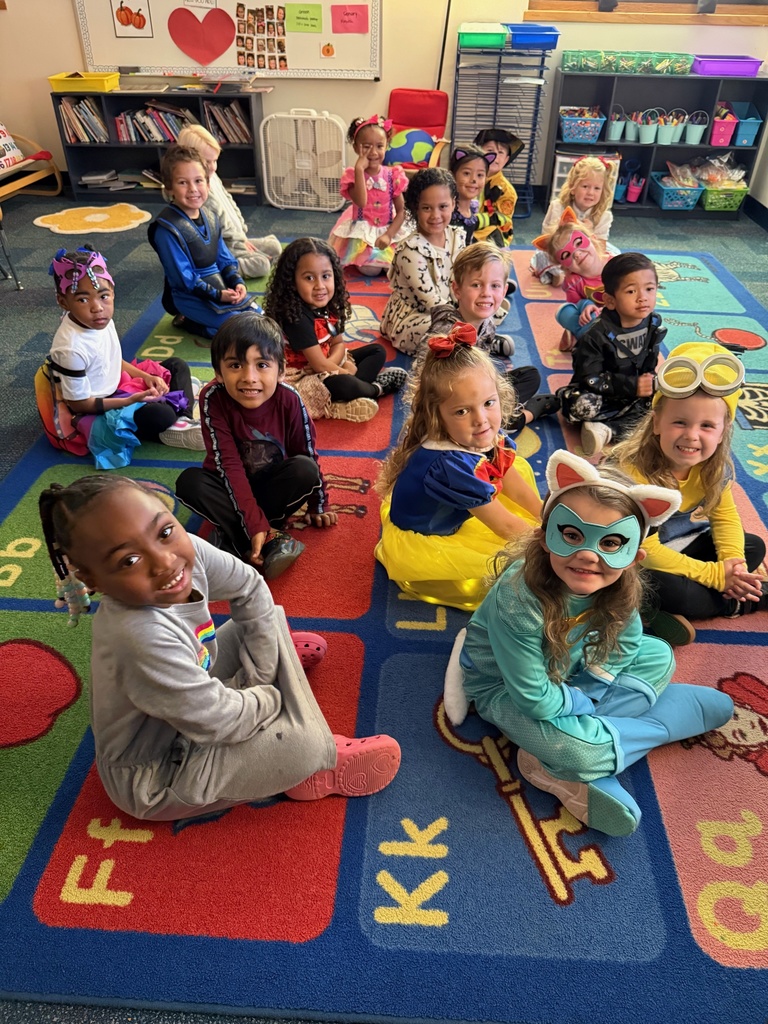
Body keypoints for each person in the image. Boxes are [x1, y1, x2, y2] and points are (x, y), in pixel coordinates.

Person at [38, 474, 401, 821]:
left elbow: (250, 587)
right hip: (157, 775)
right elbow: (218, 722)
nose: (165, 562)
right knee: (303, 746)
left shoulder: (184, 550)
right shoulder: (137, 636)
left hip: (194, 699)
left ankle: (278, 689)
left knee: (266, 618)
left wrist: (257, 676)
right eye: (128, 561)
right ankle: (318, 763)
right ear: (92, 580)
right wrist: (269, 697)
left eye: (164, 532)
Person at [442, 449, 734, 837]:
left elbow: (627, 643)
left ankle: (564, 754)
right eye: (572, 535)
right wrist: (583, 701)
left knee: (659, 654)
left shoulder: (620, 586)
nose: (587, 555)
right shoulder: (518, 597)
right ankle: (585, 754)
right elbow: (533, 698)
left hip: (574, 672)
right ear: (544, 537)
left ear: (634, 558)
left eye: (611, 543)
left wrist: (592, 687)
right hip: (505, 689)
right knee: (581, 751)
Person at [375, 323, 542, 611]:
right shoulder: (450, 467)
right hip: (428, 541)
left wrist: (545, 516)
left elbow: (512, 481)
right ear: (436, 415)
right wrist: (554, 548)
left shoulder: (479, 435)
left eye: (489, 403)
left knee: (521, 473)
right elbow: (504, 526)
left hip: (456, 512)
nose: (481, 419)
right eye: (462, 411)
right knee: (508, 573)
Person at [612, 341, 768, 646]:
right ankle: (740, 601)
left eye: (707, 425)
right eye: (679, 422)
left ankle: (663, 608)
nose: (691, 435)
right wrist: (714, 576)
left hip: (682, 549)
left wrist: (732, 564)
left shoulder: (714, 468)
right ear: (657, 422)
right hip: (636, 555)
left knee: (752, 547)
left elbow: (725, 518)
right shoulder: (631, 473)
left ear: (723, 431)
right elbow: (647, 549)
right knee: (657, 583)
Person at [176, 313, 336, 579]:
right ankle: (268, 539)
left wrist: (319, 504)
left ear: (281, 371)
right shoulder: (212, 398)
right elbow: (228, 466)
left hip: (272, 487)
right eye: (235, 365)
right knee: (190, 483)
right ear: (218, 372)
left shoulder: (290, 399)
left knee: (304, 469)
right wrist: (253, 522)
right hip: (228, 486)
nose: (249, 377)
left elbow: (306, 451)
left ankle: (234, 540)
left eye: (262, 365)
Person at [40, 246, 203, 466]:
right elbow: (79, 406)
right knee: (160, 416)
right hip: (98, 407)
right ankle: (172, 421)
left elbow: (112, 359)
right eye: (82, 300)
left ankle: (181, 415)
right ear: (63, 301)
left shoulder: (100, 321)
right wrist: (129, 400)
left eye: (104, 296)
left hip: (117, 384)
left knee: (176, 365)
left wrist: (145, 377)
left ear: (113, 292)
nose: (97, 307)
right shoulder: (70, 349)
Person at [263, 237, 407, 422]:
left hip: (325, 363)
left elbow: (338, 343)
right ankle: (376, 389)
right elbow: (318, 366)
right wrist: (343, 372)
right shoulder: (295, 318)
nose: (320, 286)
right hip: (300, 375)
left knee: (377, 351)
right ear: (292, 282)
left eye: (326, 276)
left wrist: (336, 365)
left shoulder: (331, 304)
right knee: (345, 382)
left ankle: (350, 395)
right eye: (309, 278)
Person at [421, 243, 560, 431]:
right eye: (476, 285)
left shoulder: (487, 323)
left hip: (476, 389)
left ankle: (500, 416)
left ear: (504, 291)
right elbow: (430, 381)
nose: (486, 293)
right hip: (450, 400)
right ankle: (518, 418)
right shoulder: (447, 329)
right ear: (457, 290)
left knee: (530, 375)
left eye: (495, 286)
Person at [557, 252, 665, 458]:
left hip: (633, 396)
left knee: (667, 398)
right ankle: (613, 428)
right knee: (582, 406)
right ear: (610, 300)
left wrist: (648, 383)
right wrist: (631, 385)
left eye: (650, 289)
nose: (643, 297)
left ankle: (605, 430)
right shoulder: (595, 336)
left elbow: (649, 364)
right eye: (631, 291)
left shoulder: (652, 323)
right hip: (601, 393)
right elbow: (589, 378)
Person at [147, 145, 259, 341]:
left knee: (259, 317)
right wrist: (218, 295)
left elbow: (224, 258)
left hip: (220, 287)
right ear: (169, 187)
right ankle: (189, 321)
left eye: (199, 181)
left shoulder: (211, 216)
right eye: (183, 182)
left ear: (208, 183)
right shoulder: (166, 230)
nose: (193, 189)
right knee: (241, 331)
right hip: (189, 297)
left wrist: (236, 282)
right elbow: (184, 279)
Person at [175, 125, 281, 281]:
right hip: (224, 245)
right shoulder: (199, 192)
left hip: (237, 238)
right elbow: (222, 227)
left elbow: (229, 201)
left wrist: (243, 236)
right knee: (262, 264)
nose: (212, 167)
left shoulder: (212, 176)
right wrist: (240, 242)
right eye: (207, 162)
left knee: (275, 246)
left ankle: (250, 256)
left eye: (215, 161)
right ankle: (222, 269)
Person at [380, 167, 465, 357]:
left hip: (452, 306)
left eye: (443, 206)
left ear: (453, 203)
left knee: (487, 302)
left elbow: (463, 277)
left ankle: (467, 338)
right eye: (427, 208)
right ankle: (472, 339)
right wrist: (468, 319)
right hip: (416, 316)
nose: (435, 215)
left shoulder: (456, 236)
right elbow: (431, 302)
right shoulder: (410, 251)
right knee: (440, 329)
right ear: (414, 209)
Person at [328, 115, 408, 276]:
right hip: (363, 233)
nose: (373, 152)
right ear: (356, 148)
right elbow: (362, 202)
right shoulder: (351, 176)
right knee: (370, 270)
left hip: (388, 228)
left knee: (401, 265)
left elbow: (402, 211)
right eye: (366, 146)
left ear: (386, 147)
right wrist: (359, 170)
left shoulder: (393, 175)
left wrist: (388, 235)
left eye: (379, 146)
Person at [532, 207, 612, 352]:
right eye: (566, 255)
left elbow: (628, 294)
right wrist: (587, 305)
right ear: (563, 266)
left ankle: (581, 336)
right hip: (592, 318)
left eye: (578, 243)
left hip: (617, 316)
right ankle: (589, 337)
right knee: (563, 312)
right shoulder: (572, 282)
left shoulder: (616, 266)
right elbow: (576, 304)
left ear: (593, 240)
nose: (576, 254)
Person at [531, 156, 619, 286]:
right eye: (585, 186)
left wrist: (589, 233)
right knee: (542, 255)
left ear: (603, 191)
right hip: (561, 253)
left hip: (586, 255)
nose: (590, 193)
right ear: (572, 187)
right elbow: (549, 240)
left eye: (597, 188)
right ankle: (559, 274)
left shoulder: (604, 215)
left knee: (616, 256)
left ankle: (581, 275)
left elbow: (601, 247)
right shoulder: (558, 206)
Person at [473, 128, 524, 246]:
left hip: (493, 235)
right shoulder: (469, 179)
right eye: (490, 150)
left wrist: (474, 224)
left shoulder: (506, 190)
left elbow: (501, 221)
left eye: (501, 152)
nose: (495, 156)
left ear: (506, 159)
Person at [448, 145, 496, 246]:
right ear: (453, 174)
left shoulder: (471, 208)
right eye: (466, 173)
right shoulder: (448, 212)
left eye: (480, 175)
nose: (473, 179)